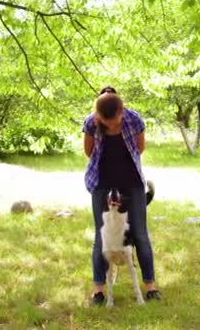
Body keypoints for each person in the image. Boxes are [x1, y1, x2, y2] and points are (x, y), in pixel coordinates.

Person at [82, 86, 161, 306]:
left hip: (132, 183)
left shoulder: (134, 119)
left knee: (140, 234)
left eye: (113, 120)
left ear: (121, 111)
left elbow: (139, 148)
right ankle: (98, 290)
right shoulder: (90, 122)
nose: (109, 124)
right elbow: (89, 152)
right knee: (102, 235)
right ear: (98, 115)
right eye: (104, 121)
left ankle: (151, 287)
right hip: (101, 184)